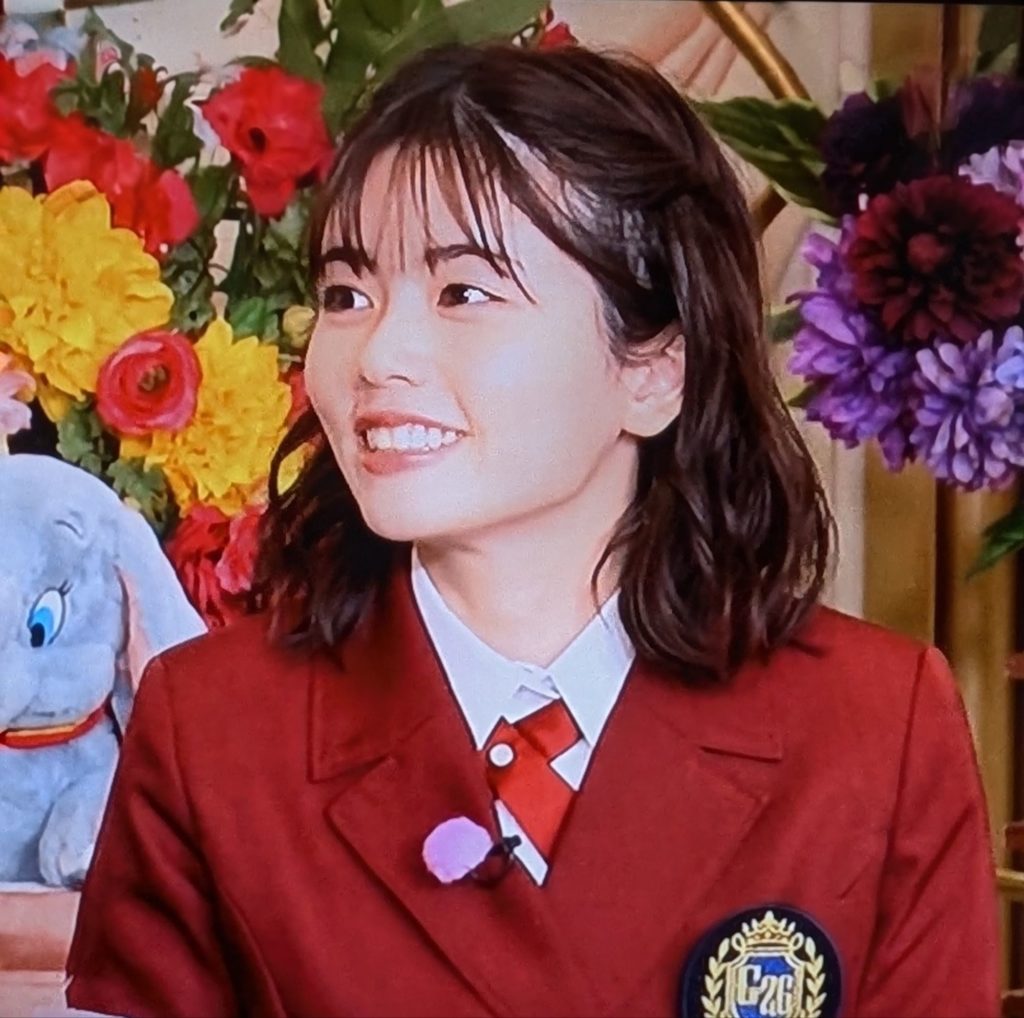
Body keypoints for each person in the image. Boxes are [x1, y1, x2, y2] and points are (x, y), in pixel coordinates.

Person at [65, 41, 1000, 1018]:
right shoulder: (211, 731)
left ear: (653, 371)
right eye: (348, 295)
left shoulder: (874, 728)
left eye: (463, 293)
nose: (378, 353)